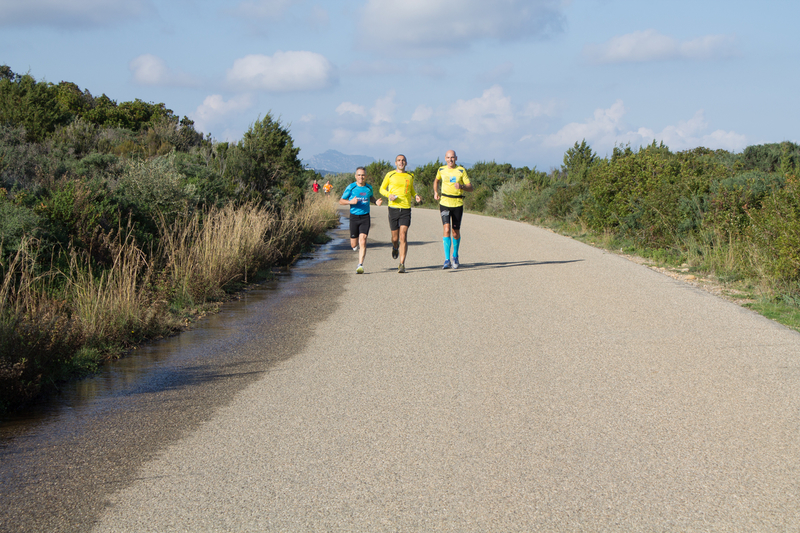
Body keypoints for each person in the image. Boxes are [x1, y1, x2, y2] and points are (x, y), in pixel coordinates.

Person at [379, 154, 421, 273]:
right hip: (393, 208)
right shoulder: (390, 175)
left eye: (403, 160)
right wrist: (389, 195)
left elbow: (411, 189)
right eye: (399, 160)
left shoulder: (410, 176)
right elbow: (382, 189)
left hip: (406, 209)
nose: (401, 162)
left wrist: (416, 196)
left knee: (403, 235)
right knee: (395, 237)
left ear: (406, 163)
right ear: (395, 163)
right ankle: (395, 247)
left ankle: (402, 264)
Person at [433, 150, 473, 269]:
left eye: (452, 158)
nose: (450, 160)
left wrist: (461, 186)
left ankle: (455, 255)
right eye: (448, 157)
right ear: (445, 158)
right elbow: (436, 180)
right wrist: (435, 192)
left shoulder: (461, 170)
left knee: (455, 232)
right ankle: (446, 259)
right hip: (444, 202)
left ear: (456, 158)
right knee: (446, 228)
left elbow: (470, 187)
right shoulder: (441, 169)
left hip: (457, 203)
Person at [340, 167, 383, 274]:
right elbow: (341, 201)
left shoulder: (369, 188)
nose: (361, 177)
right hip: (354, 217)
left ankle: (360, 265)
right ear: (355, 176)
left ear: (366, 176)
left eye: (363, 175)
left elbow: (371, 197)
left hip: (365, 217)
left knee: (363, 240)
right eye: (359, 175)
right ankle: (355, 247)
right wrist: (350, 202)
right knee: (353, 244)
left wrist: (375, 202)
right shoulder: (351, 187)